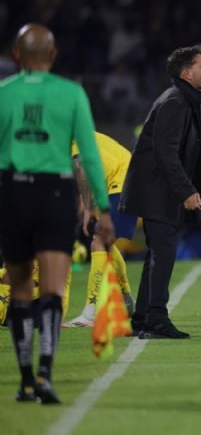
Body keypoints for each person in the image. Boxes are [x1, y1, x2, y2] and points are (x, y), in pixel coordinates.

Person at [0, 23, 115, 403]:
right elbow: (90, 156)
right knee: (51, 288)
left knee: (20, 290)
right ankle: (46, 374)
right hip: (54, 195)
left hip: (14, 192)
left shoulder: (4, 93)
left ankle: (24, 379)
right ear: (53, 55)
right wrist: (102, 207)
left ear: (16, 55)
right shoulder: (71, 93)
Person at [120, 44, 201, 339]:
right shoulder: (175, 101)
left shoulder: (183, 101)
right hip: (158, 191)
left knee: (158, 254)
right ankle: (156, 318)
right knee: (163, 254)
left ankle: (143, 317)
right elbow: (166, 153)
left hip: (159, 191)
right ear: (186, 73)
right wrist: (187, 191)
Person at [64, 132, 137, 328]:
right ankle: (126, 299)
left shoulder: (72, 141)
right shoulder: (82, 133)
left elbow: (81, 169)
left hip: (122, 183)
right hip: (123, 179)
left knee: (99, 242)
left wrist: (88, 207)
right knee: (105, 241)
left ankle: (90, 312)